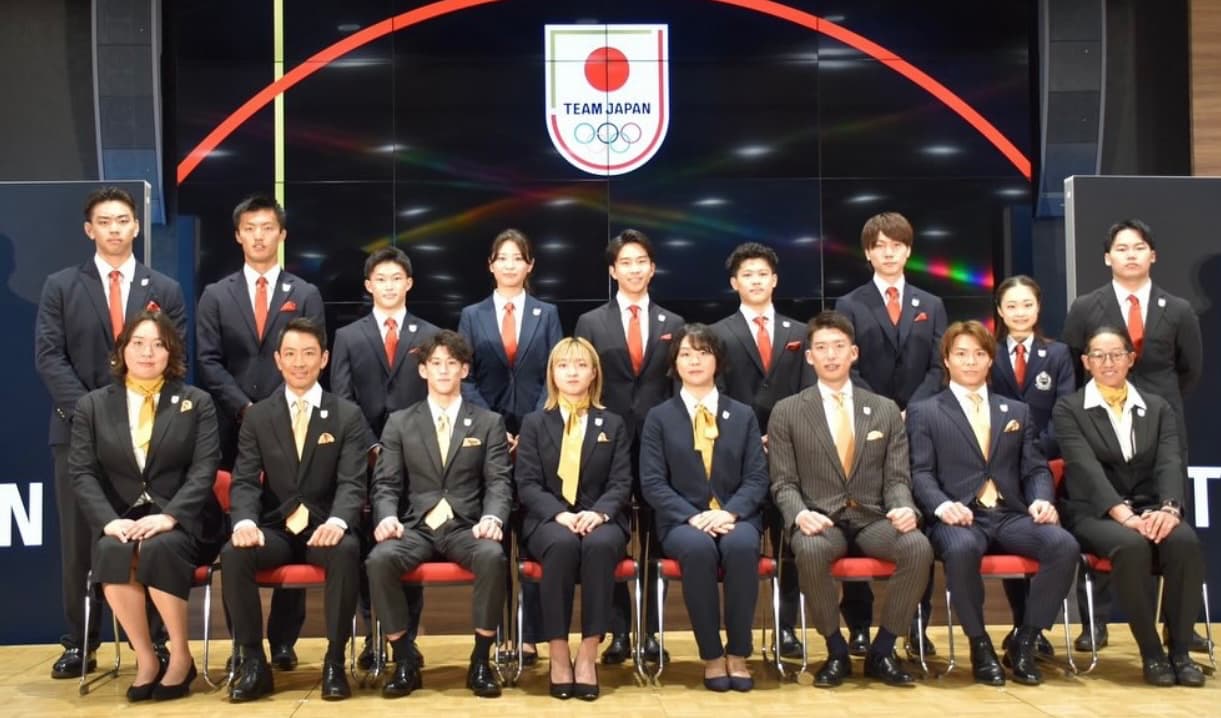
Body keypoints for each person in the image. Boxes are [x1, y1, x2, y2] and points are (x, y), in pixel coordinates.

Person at [35, 186, 186, 679]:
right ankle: (80, 642)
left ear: (137, 226)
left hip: (150, 437)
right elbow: (50, 357)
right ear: (89, 229)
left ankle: (156, 642)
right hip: (77, 432)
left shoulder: (164, 288)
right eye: (105, 221)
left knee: (150, 538)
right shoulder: (61, 286)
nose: (115, 228)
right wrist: (92, 415)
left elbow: (176, 359)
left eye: (123, 220)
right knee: (82, 544)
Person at [907, 321, 1079, 686]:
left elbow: (1035, 468)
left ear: (990, 360)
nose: (970, 361)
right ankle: (979, 644)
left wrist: (1041, 499)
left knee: (1063, 545)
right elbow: (920, 472)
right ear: (947, 360)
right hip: (958, 516)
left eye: (979, 354)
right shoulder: (925, 411)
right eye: (961, 354)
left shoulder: (1016, 411)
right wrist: (942, 506)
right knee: (962, 550)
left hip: (1009, 514)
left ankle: (1025, 640)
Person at [1060, 219, 1205, 652]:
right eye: (1121, 248)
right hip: (1100, 427)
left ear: (1152, 255)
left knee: (1170, 530)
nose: (1130, 255)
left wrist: (1154, 407)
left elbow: (1189, 370)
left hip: (1158, 426)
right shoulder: (1086, 306)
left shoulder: (1177, 309)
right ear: (1108, 258)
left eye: (1138, 247)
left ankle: (1178, 626)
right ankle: (1096, 624)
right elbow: (1074, 363)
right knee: (1106, 520)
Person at [768, 311, 931, 688]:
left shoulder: (885, 409)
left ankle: (883, 650)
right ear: (809, 356)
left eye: (839, 347)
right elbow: (783, 483)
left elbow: (897, 478)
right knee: (808, 549)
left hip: (873, 519)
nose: (831, 355)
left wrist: (903, 506)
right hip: (821, 519)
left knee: (918, 547)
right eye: (822, 348)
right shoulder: (787, 411)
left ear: (853, 353)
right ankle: (836, 649)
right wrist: (800, 514)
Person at [196, 194, 325, 669]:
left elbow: (310, 357)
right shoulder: (216, 294)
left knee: (295, 516)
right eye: (249, 228)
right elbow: (207, 360)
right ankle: (242, 644)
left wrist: (273, 410)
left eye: (267, 227)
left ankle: (285, 639)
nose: (258, 236)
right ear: (237, 235)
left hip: (292, 422)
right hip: (231, 427)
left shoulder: (304, 292)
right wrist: (246, 409)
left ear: (281, 234)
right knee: (241, 528)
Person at [69, 310, 221, 701]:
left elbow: (204, 469)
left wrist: (171, 516)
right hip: (123, 518)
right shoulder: (92, 406)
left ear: (171, 353)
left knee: (158, 546)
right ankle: (147, 658)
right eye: (138, 343)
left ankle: (180, 656)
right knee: (110, 550)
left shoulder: (196, 402)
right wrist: (108, 521)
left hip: (183, 520)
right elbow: (82, 472)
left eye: (158, 345)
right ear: (122, 350)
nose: (148, 353)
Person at [220, 318, 366, 702]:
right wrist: (245, 522)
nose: (299, 363)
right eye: (290, 354)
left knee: (347, 549)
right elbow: (245, 479)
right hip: (277, 528)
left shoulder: (347, 415)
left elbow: (353, 482)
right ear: (278, 360)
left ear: (324, 359)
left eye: (308, 354)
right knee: (235, 553)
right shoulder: (258, 416)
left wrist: (338, 521)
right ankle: (253, 662)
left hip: (324, 527)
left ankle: (335, 662)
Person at [1053, 327, 1205, 687]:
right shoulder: (1069, 409)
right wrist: (1124, 516)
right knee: (1131, 545)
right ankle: (1151, 653)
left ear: (1131, 359)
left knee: (1184, 542)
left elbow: (1170, 461)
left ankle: (1180, 652)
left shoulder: (1158, 407)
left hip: (1151, 508)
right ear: (1086, 362)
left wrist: (1169, 509)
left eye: (1117, 354)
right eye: (1099, 355)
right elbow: (1085, 469)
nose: (1108, 362)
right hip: (1093, 511)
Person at [367, 331, 512, 699]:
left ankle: (481, 660)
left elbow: (498, 481)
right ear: (423, 370)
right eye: (436, 363)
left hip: (466, 527)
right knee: (379, 559)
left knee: (493, 556)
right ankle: (404, 659)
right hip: (416, 527)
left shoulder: (489, 422)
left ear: (464, 370)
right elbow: (386, 483)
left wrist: (493, 518)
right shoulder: (400, 422)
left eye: (452, 363)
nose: (444, 370)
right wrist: (386, 517)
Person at [833, 211, 946, 656]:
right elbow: (847, 364)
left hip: (920, 425)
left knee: (917, 524)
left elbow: (939, 365)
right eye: (879, 246)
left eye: (896, 245)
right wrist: (882, 410)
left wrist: (911, 410)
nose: (888, 252)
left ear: (908, 250)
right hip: (863, 423)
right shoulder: (849, 303)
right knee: (857, 515)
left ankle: (916, 625)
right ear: (868, 253)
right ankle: (859, 625)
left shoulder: (930, 303)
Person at [574, 229, 684, 664]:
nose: (634, 269)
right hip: (607, 442)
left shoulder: (673, 323)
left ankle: (652, 632)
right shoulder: (590, 322)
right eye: (626, 262)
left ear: (652, 268)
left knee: (656, 538)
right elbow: (585, 382)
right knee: (612, 537)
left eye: (641, 262)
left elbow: (678, 386)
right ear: (612, 270)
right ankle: (618, 631)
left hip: (661, 444)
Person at [640, 324, 769, 692]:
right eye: (685, 354)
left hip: (735, 517)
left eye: (703, 353)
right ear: (674, 364)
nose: (694, 361)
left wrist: (730, 512)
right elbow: (652, 482)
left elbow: (757, 477)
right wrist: (693, 515)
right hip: (683, 521)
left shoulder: (742, 414)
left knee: (742, 546)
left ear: (718, 361)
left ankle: (738, 653)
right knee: (698, 550)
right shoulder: (659, 417)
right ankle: (712, 655)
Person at [457, 228, 562, 662]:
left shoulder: (547, 313)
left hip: (539, 436)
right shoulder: (472, 315)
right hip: (487, 436)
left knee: (534, 535)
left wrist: (533, 425)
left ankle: (531, 634)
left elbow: (556, 371)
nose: (510, 265)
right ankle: (499, 631)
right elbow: (465, 376)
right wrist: (496, 426)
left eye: (518, 257)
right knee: (495, 536)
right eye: (502, 257)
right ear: (490, 265)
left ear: (530, 265)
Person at [515, 337, 632, 700]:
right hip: (549, 520)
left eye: (581, 365)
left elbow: (621, 482)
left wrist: (599, 513)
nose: (572, 373)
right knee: (562, 545)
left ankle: (588, 653)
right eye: (563, 365)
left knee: (599, 546)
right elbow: (527, 483)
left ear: (594, 373)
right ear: (552, 373)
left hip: (602, 519)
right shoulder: (534, 423)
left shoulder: (612, 423)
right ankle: (558, 652)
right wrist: (559, 514)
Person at [711, 242, 813, 658]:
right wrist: (751, 437)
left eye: (762, 274)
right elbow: (715, 395)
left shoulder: (800, 333)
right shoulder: (718, 333)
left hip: (793, 453)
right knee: (744, 545)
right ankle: (741, 630)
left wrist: (784, 434)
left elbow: (809, 392)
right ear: (734, 283)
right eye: (747, 275)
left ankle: (786, 628)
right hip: (738, 455)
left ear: (775, 280)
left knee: (789, 542)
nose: (755, 281)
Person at [330, 246, 431, 667]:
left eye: (396, 279)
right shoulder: (348, 336)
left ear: (409, 283)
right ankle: (373, 635)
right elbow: (342, 398)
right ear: (369, 285)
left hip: (418, 460)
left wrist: (407, 447)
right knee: (367, 550)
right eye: (381, 280)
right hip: (363, 458)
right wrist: (371, 444)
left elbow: (434, 398)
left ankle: (407, 637)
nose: (389, 286)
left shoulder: (429, 334)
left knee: (410, 544)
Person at [990, 275, 1076, 660]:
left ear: (1038, 308)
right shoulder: (987, 353)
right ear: (1000, 310)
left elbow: (1065, 410)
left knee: (1048, 542)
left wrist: (1033, 449)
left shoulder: (1057, 354)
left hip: (1046, 462)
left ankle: (1035, 627)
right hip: (1000, 464)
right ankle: (1020, 622)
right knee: (1014, 537)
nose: (1020, 312)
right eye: (1011, 305)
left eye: (1027, 304)